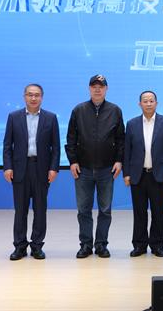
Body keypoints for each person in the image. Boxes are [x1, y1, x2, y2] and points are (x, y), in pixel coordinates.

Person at [65, 75, 124, 259]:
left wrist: (119, 160)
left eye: (101, 86)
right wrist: (73, 161)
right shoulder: (79, 110)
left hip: (107, 169)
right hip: (83, 169)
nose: (97, 89)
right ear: (89, 88)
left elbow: (121, 139)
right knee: (84, 210)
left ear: (106, 89)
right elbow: (71, 138)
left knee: (105, 210)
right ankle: (85, 245)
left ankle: (101, 245)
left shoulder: (115, 110)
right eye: (94, 86)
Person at [3, 83, 60, 261]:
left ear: (42, 97)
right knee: (20, 210)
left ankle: (37, 246)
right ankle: (19, 246)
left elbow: (56, 147)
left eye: (37, 95)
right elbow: (7, 145)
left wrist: (53, 168)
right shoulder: (14, 117)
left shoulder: (51, 118)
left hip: (41, 169)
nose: (33, 98)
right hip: (20, 169)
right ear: (24, 96)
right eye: (30, 94)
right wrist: (7, 167)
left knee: (40, 210)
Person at [123, 90, 163, 258]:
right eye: (145, 101)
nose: (148, 103)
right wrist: (126, 173)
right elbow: (127, 150)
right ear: (139, 104)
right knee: (139, 213)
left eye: (151, 101)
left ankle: (157, 245)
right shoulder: (131, 124)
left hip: (159, 174)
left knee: (158, 212)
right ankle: (139, 245)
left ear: (156, 103)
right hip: (137, 175)